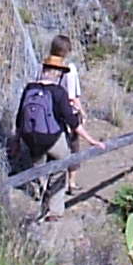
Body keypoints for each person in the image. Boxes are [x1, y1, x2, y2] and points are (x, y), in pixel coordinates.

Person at [13, 54, 100, 202]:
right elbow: (72, 121)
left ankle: (39, 192)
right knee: (62, 162)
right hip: (52, 138)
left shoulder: (29, 88)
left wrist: (16, 140)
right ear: (57, 73)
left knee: (38, 167)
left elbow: (20, 117)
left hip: (30, 137)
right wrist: (91, 140)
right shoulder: (58, 92)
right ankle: (54, 206)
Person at [43, 34, 93, 197]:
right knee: (73, 147)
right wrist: (82, 112)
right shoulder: (69, 69)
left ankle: (46, 184)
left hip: (48, 112)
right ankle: (70, 182)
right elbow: (72, 96)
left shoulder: (43, 65)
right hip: (67, 112)